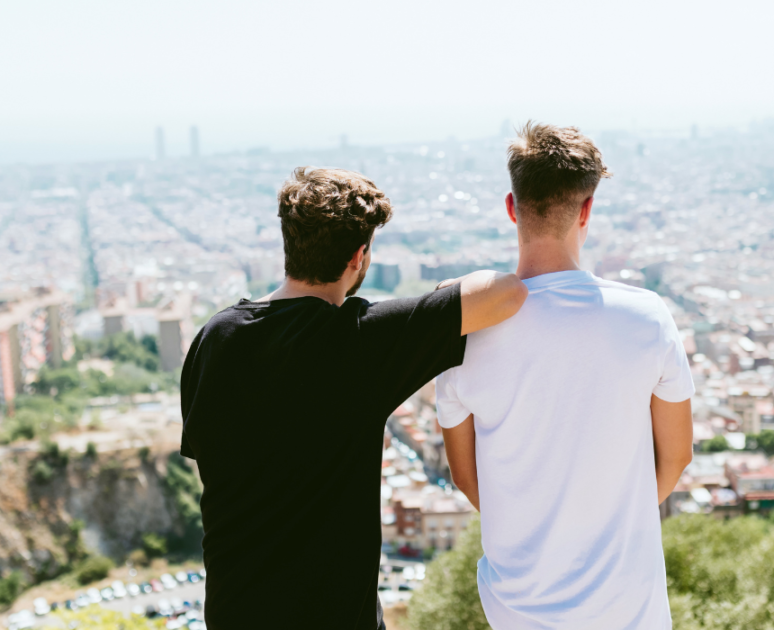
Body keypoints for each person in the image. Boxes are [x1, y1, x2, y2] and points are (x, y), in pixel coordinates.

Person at [180, 167, 528, 630]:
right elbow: (508, 292)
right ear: (359, 256)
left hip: (234, 613)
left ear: (289, 243)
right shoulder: (360, 341)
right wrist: (440, 300)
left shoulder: (214, 338)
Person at [436, 123, 695, 629]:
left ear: (513, 207)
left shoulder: (463, 335)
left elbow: (466, 476)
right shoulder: (647, 318)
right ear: (587, 210)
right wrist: (611, 515)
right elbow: (678, 455)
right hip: (629, 607)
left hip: (518, 608)